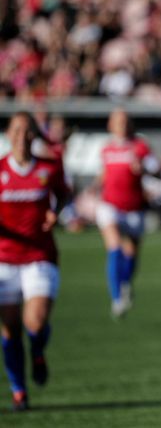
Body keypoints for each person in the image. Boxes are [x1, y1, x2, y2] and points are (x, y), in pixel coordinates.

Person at [0, 111, 69, 411]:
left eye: (26, 130)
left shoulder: (48, 168)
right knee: (10, 330)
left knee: (35, 322)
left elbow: (63, 195)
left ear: (33, 136)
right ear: (8, 134)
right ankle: (19, 391)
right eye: (15, 130)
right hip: (4, 260)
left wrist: (57, 212)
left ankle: (38, 351)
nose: (20, 136)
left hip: (40, 256)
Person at [96, 107, 159, 318]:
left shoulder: (140, 146)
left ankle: (125, 285)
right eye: (117, 121)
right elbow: (104, 175)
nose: (121, 125)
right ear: (110, 125)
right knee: (114, 245)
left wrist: (143, 168)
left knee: (131, 252)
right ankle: (116, 298)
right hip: (109, 205)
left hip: (134, 206)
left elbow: (155, 167)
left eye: (125, 121)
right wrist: (93, 189)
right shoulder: (106, 149)